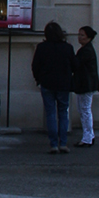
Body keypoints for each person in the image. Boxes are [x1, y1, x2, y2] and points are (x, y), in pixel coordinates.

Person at [31, 21, 75, 153]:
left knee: (50, 113)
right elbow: (74, 65)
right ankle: (63, 143)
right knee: (63, 113)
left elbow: (35, 66)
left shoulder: (41, 47)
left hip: (47, 83)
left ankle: (53, 144)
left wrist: (39, 79)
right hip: (63, 84)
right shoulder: (67, 48)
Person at [72, 26, 99, 147]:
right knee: (84, 109)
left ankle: (87, 137)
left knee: (85, 110)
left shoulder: (86, 51)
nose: (79, 37)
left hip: (86, 84)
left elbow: (76, 64)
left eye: (82, 35)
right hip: (86, 84)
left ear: (88, 37)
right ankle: (89, 135)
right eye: (79, 34)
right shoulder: (86, 49)